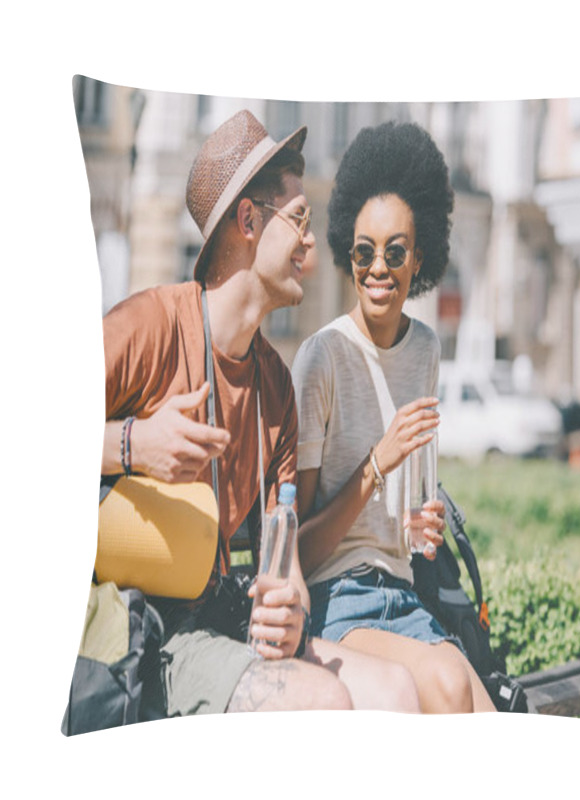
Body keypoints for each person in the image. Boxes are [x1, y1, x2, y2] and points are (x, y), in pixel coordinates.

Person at [101, 110, 420, 717]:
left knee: (397, 692)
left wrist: (290, 605)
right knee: (322, 702)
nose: (310, 241)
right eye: (298, 220)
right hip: (146, 636)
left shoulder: (275, 384)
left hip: (228, 620)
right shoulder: (147, 325)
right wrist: (134, 445)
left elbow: (285, 551)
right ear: (248, 220)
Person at [292, 121, 496, 713]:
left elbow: (407, 526)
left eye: (395, 251)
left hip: (403, 599)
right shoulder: (322, 358)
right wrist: (377, 464)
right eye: (363, 252)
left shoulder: (427, 350)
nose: (377, 268)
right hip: (336, 604)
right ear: (347, 254)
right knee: (449, 683)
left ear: (419, 257)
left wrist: (418, 532)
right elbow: (299, 554)